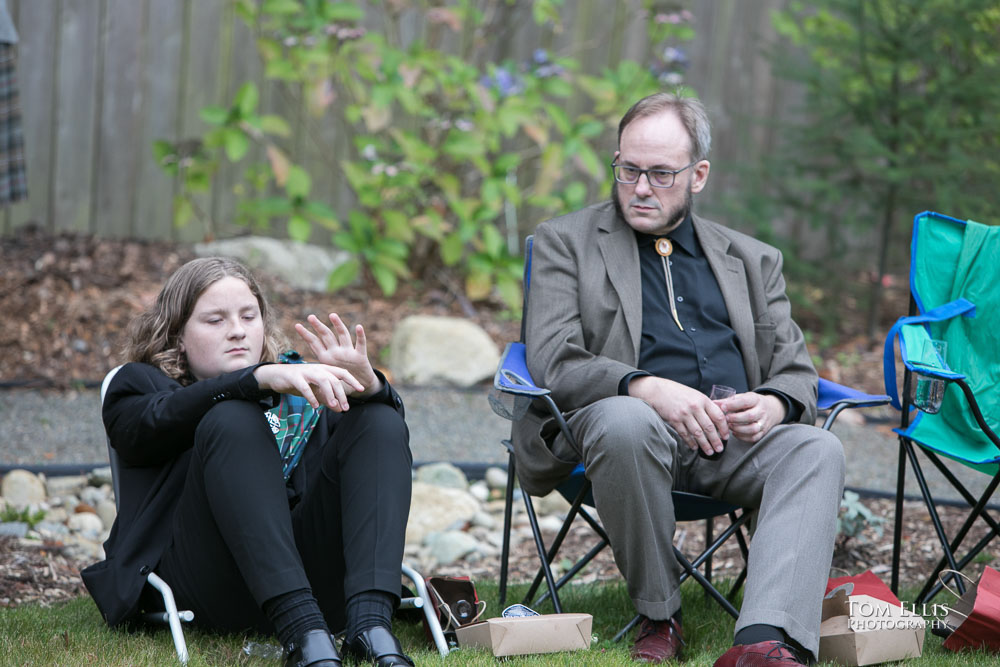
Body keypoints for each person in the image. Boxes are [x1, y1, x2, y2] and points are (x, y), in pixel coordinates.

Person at [511, 92, 845, 666]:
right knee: (626, 421)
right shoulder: (566, 243)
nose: (641, 187)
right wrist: (644, 387)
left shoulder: (753, 259)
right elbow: (551, 358)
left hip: (733, 439)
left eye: (661, 173)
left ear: (699, 176)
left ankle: (766, 639)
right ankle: (659, 614)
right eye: (629, 169)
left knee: (818, 448)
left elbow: (796, 371)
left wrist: (774, 404)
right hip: (619, 438)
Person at [82, 257, 415, 667]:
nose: (238, 330)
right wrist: (253, 381)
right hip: (206, 582)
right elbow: (142, 431)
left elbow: (380, 458)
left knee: (378, 420)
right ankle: (302, 635)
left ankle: (371, 627)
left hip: (314, 587)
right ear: (178, 335)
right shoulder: (140, 386)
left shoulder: (299, 392)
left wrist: (368, 385)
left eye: (248, 316)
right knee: (232, 416)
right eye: (215, 320)